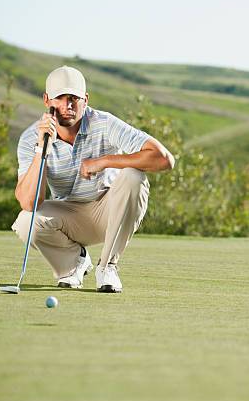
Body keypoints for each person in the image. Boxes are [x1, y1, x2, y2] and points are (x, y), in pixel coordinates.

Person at [11, 66, 174, 293]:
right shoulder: (31, 138)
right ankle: (74, 263)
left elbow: (164, 159)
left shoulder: (104, 123)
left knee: (133, 175)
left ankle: (107, 267)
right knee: (25, 220)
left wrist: (104, 161)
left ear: (85, 100)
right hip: (69, 218)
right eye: (60, 98)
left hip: (109, 212)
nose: (68, 106)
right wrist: (42, 149)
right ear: (47, 100)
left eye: (74, 99)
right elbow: (30, 203)